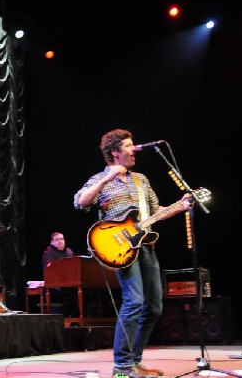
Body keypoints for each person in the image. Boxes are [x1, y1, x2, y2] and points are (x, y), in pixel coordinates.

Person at [73, 129, 190, 378]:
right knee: (134, 302)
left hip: (146, 246)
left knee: (155, 307)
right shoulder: (99, 178)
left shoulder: (141, 180)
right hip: (120, 248)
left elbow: (157, 210)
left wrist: (181, 206)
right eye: (128, 145)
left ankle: (134, 362)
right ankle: (122, 366)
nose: (134, 149)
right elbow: (80, 202)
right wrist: (107, 179)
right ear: (115, 152)